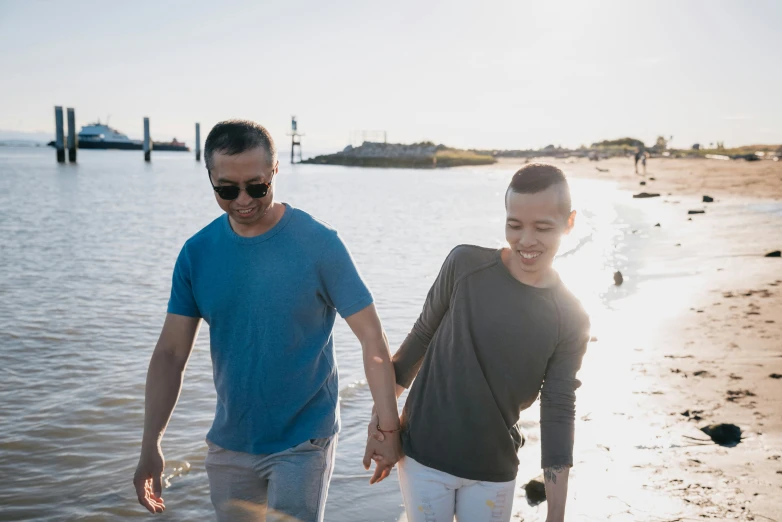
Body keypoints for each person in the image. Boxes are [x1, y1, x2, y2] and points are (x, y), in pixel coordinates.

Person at [133, 120, 401, 522]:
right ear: (210, 177)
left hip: (304, 441)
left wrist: (387, 428)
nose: (243, 200)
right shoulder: (197, 253)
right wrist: (150, 444)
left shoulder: (319, 244)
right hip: (230, 443)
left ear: (275, 171)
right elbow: (171, 354)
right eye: (227, 189)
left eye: (257, 186)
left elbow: (372, 339)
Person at [367, 163, 590, 522]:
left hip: (494, 470)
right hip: (424, 456)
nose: (526, 240)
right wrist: (381, 426)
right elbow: (417, 343)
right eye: (514, 225)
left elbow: (558, 409)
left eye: (543, 227)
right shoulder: (464, 265)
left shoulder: (571, 316)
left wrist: (556, 515)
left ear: (569, 223)